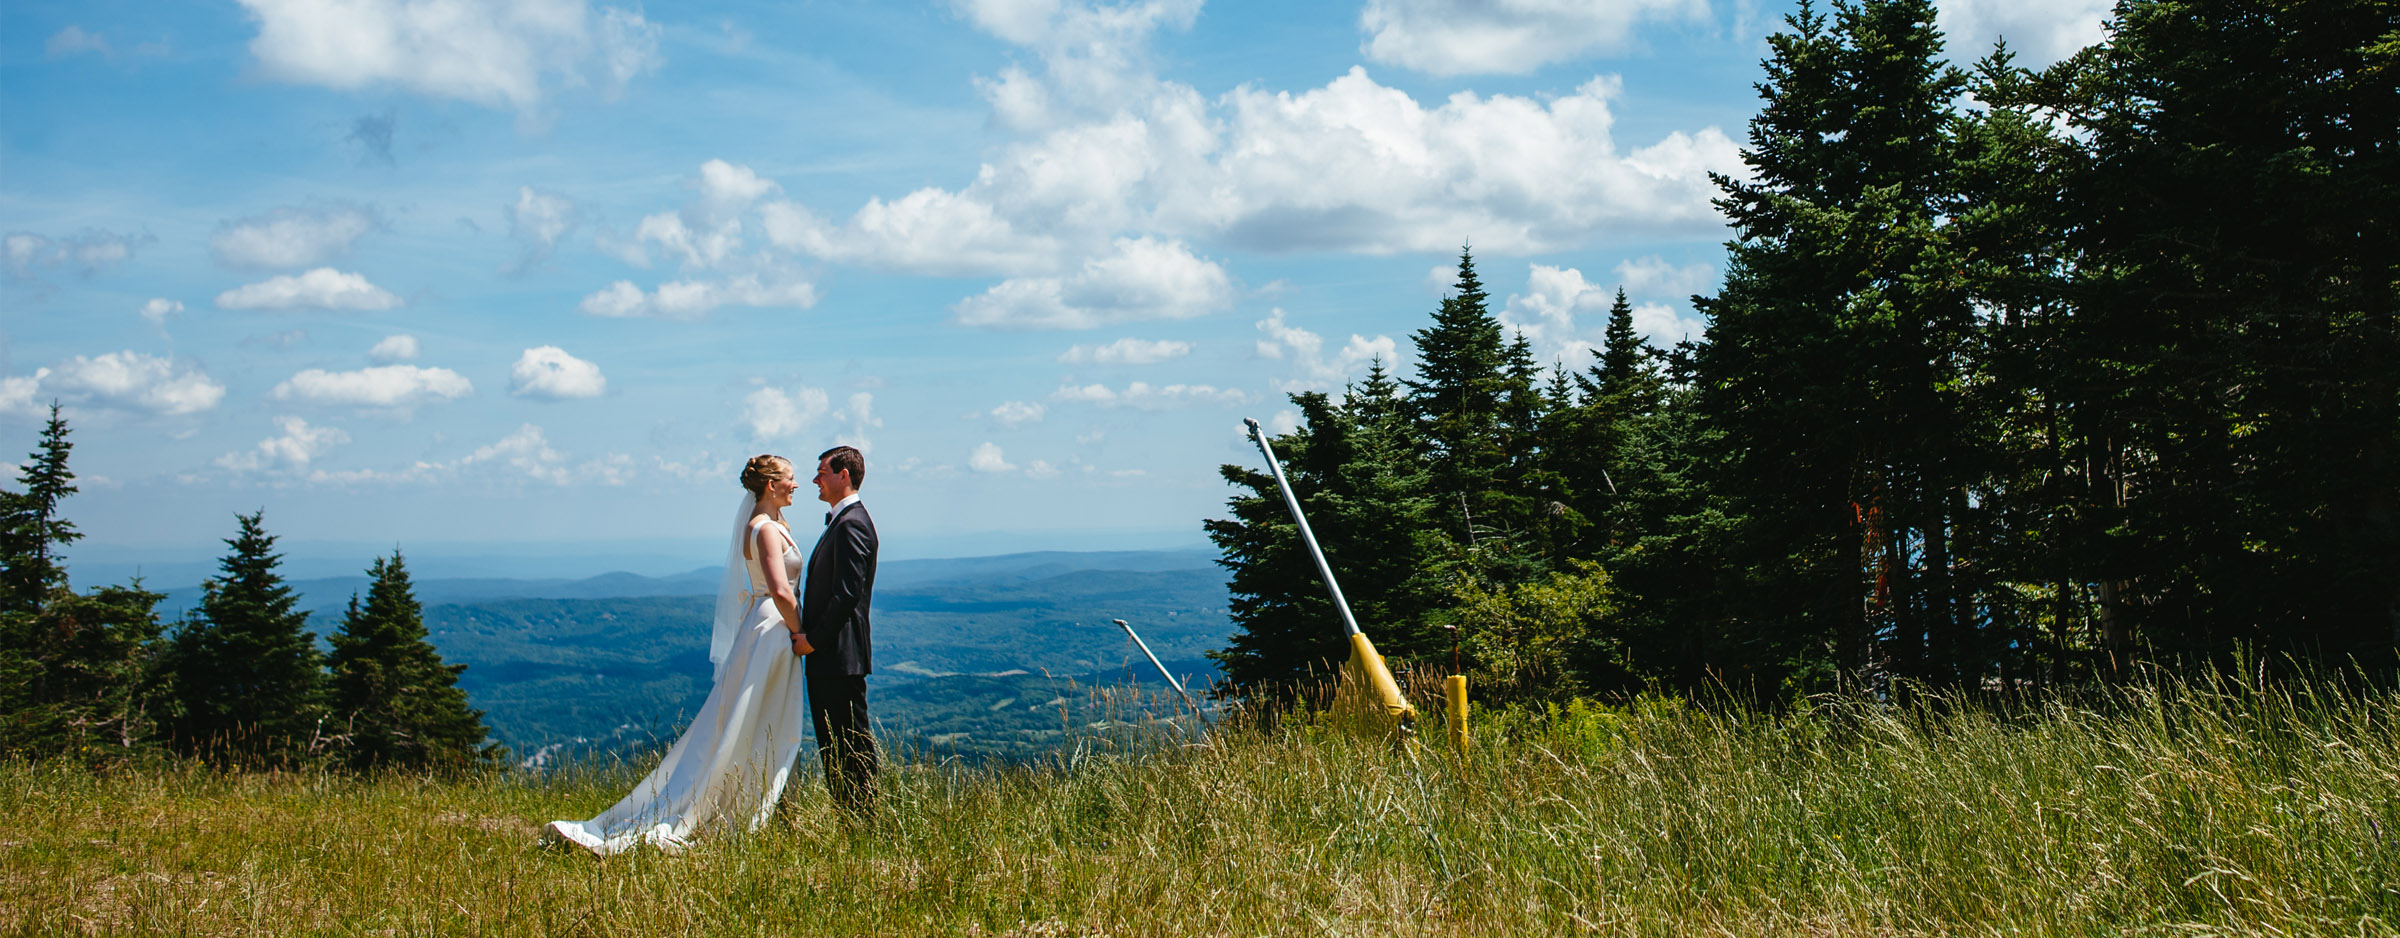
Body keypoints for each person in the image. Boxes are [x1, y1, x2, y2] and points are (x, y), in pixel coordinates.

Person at [542, 455, 812, 855]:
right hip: (773, 629)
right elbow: (780, 590)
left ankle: (755, 801)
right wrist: (801, 631)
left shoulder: (768, 524)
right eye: (790, 479)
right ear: (771, 485)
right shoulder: (766, 529)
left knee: (754, 718)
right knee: (754, 717)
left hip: (767, 628)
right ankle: (723, 804)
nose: (796, 485)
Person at [792, 444, 879, 817]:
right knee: (835, 744)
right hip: (832, 656)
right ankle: (853, 818)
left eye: (822, 471)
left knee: (850, 743)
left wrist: (812, 640)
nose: (815, 479)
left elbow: (847, 595)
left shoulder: (852, 524)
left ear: (844, 475)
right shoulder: (843, 522)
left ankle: (863, 820)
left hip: (838, 656)